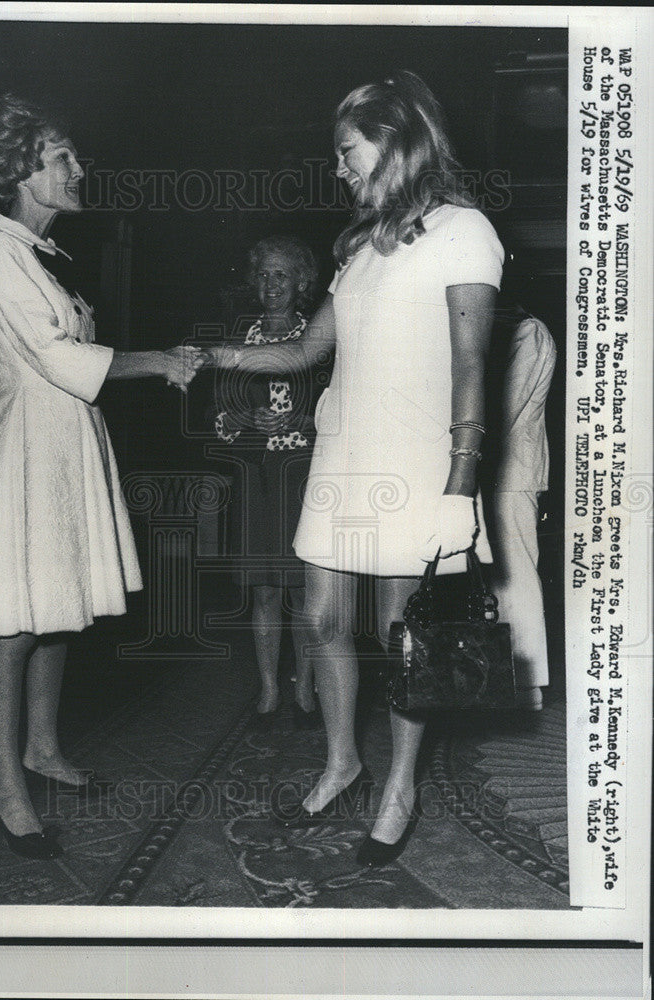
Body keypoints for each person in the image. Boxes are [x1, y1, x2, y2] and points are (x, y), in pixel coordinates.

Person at [201, 71, 503, 866]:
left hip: (414, 464)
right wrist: (212, 354)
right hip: (342, 454)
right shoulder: (362, 245)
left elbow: (473, 366)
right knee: (323, 619)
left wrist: (460, 488)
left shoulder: (464, 231)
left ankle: (400, 787)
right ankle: (342, 762)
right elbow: (308, 348)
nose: (338, 168)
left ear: (396, 138)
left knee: (405, 638)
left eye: (348, 151)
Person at [0, 94, 201, 859]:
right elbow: (57, 359)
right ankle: (3, 780)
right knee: (18, 623)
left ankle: (43, 748)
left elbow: (75, 356)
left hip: (69, 439)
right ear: (25, 170)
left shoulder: (39, 255)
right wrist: (160, 361)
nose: (79, 169)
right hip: (30, 440)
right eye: (64, 158)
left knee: (61, 605)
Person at [212, 236, 320, 728]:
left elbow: (341, 410)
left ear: (301, 282)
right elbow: (216, 419)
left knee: (304, 590)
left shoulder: (321, 340)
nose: (272, 284)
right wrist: (245, 418)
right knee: (263, 591)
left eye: (282, 275)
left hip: (306, 477)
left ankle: (307, 690)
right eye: (264, 275)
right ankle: (269, 689)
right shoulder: (239, 341)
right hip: (258, 479)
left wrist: (305, 422)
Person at [482, 297, 557, 712]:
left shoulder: (526, 331)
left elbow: (504, 409)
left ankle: (528, 683)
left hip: (509, 472)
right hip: (505, 470)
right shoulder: (516, 330)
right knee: (502, 579)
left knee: (516, 577)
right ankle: (510, 679)